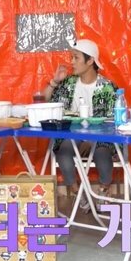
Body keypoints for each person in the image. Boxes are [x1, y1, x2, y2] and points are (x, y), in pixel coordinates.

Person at [41, 39, 118, 205]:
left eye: (76, 58)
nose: (72, 62)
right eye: (71, 57)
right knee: (63, 151)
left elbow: (113, 121)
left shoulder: (107, 87)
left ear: (90, 61)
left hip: (101, 137)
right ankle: (78, 194)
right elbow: (43, 102)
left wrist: (92, 139)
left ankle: (104, 191)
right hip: (72, 134)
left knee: (102, 153)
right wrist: (55, 81)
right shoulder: (68, 83)